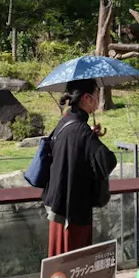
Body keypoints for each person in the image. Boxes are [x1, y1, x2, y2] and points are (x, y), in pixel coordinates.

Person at [42, 78, 118, 257]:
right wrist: (92, 139)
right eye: (96, 94)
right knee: (74, 264)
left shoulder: (65, 122)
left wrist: (90, 136)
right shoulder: (82, 131)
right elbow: (107, 161)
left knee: (59, 265)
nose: (98, 99)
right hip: (73, 211)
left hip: (56, 205)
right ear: (86, 98)